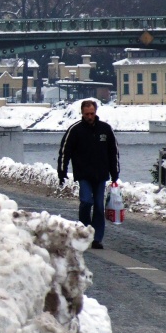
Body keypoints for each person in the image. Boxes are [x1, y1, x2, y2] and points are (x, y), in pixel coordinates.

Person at [57, 99, 121, 249]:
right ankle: (84, 230)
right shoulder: (75, 130)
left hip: (101, 175)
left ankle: (96, 238)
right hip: (83, 174)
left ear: (95, 112)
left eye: (92, 113)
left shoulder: (105, 129)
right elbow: (65, 152)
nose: (90, 116)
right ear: (82, 113)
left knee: (99, 206)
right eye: (87, 114)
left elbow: (113, 152)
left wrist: (115, 172)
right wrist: (62, 171)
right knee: (86, 201)